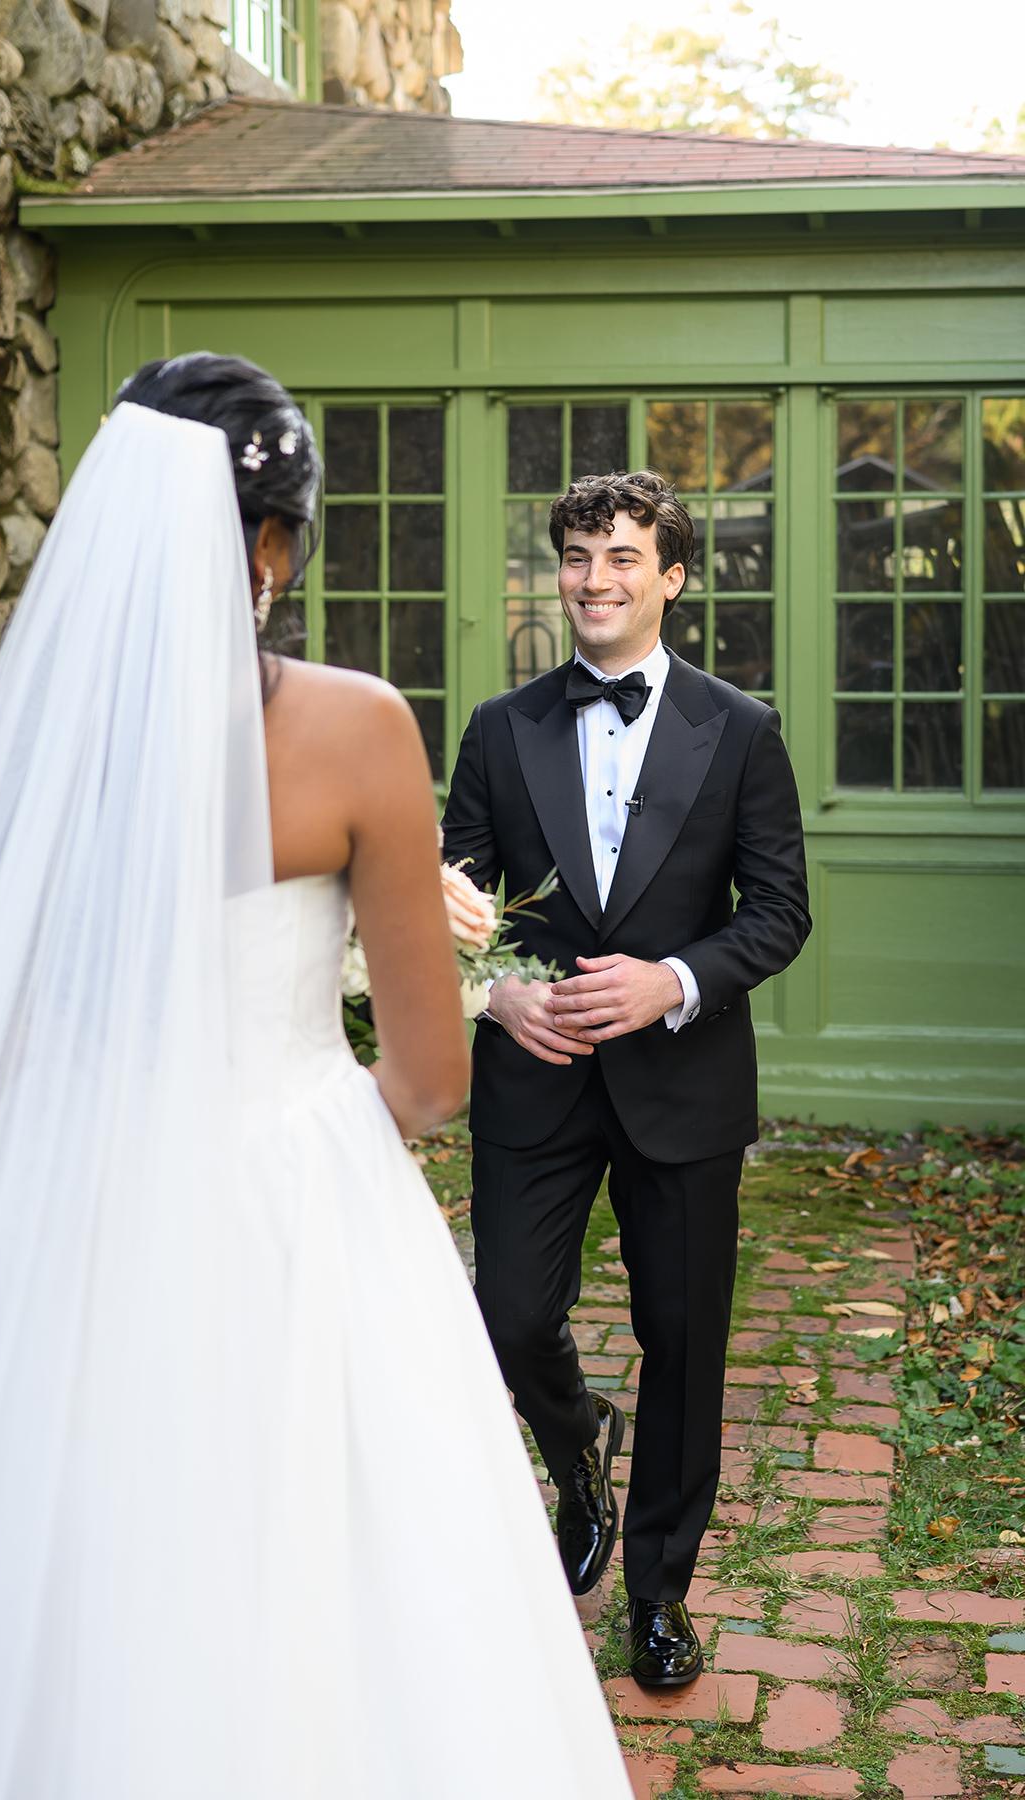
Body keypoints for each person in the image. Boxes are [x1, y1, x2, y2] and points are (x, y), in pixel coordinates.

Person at [0, 356, 632, 1798]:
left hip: (60, 1203)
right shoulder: (357, 727)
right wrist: (297, 1118)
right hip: (292, 1206)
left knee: (48, 1562)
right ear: (273, 547)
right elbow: (433, 1075)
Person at [442, 469, 811, 1688]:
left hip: (684, 1084)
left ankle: (657, 1593)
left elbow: (780, 914)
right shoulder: (501, 729)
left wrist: (676, 982)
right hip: (535, 1077)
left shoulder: (741, 730)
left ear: (672, 576)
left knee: (684, 1342)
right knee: (507, 1320)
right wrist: (494, 991)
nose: (594, 579)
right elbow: (450, 901)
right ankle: (575, 1442)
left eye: (620, 556)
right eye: (576, 556)